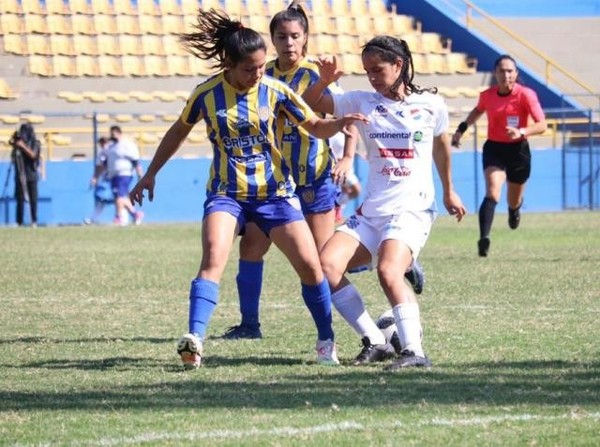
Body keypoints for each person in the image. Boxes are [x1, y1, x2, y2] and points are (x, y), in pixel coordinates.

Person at [128, 8, 368, 369]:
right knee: (212, 260)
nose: (258, 73)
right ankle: (194, 340)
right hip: (227, 194)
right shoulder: (206, 94)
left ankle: (325, 341)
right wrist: (150, 173)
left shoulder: (275, 90)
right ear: (228, 63)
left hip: (276, 195)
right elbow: (178, 131)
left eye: (260, 67)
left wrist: (340, 124)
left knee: (311, 269)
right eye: (249, 69)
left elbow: (315, 125)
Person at [302, 36, 466, 369]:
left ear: (399, 65)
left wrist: (449, 190)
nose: (373, 78)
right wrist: (324, 81)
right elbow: (307, 103)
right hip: (372, 210)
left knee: (390, 271)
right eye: (367, 71)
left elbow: (441, 147)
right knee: (326, 267)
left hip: (412, 208)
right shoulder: (361, 101)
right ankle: (375, 340)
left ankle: (414, 351)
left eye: (378, 70)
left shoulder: (431, 105)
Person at [219, 1, 360, 341]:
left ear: (305, 38)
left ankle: (386, 259)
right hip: (272, 181)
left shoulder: (316, 73)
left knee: (324, 261)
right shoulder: (259, 71)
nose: (288, 43)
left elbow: (346, 118)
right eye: (281, 36)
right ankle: (249, 325)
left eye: (295, 36)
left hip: (313, 177)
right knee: (252, 245)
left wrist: (348, 159)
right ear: (272, 39)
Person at [451, 54, 547, 257]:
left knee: (513, 200)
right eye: (502, 71)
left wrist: (521, 131)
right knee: (492, 192)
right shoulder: (487, 95)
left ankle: (514, 211)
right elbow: (478, 111)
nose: (506, 75)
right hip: (494, 148)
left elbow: (542, 124)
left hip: (518, 150)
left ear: (516, 73)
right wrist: (461, 129)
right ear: (495, 73)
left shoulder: (525, 95)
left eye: (510, 71)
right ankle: (483, 238)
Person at [105, 125, 144, 226]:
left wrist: (139, 172)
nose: (112, 136)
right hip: (114, 175)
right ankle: (136, 214)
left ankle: (119, 217)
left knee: (119, 196)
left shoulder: (127, 144)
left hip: (124, 174)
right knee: (121, 198)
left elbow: (135, 159)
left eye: (114, 134)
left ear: (119, 133)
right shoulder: (112, 146)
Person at [10, 123, 41, 227]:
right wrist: (15, 145)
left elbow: (33, 155)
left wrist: (23, 146)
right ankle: (19, 222)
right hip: (20, 174)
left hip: (31, 174)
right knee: (20, 199)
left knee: (33, 199)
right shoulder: (19, 144)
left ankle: (34, 221)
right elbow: (14, 158)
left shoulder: (36, 143)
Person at [84, 137, 115, 225]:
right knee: (105, 199)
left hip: (109, 178)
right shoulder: (109, 152)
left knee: (115, 198)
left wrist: (95, 177)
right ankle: (92, 218)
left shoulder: (105, 152)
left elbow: (101, 166)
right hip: (109, 178)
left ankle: (133, 214)